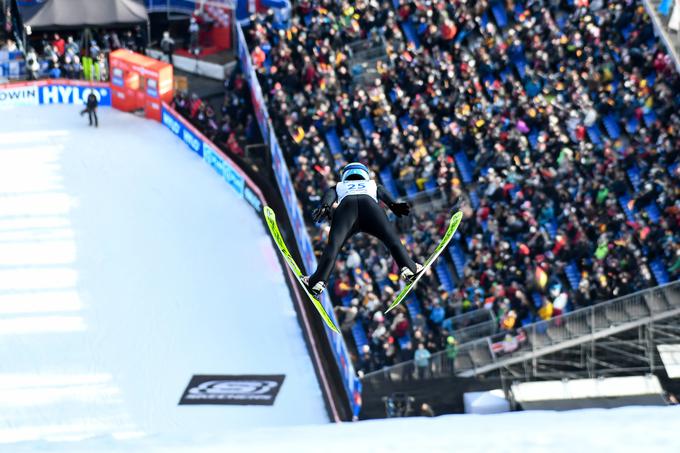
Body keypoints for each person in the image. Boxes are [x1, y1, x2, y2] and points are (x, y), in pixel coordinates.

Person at [302, 162, 422, 296]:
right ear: (365, 174)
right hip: (370, 208)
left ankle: (317, 282)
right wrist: (394, 205)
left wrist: (325, 206)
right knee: (391, 240)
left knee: (333, 246)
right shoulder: (372, 184)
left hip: (347, 209)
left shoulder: (340, 186)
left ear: (345, 175)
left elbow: (330, 195)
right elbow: (384, 193)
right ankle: (409, 268)